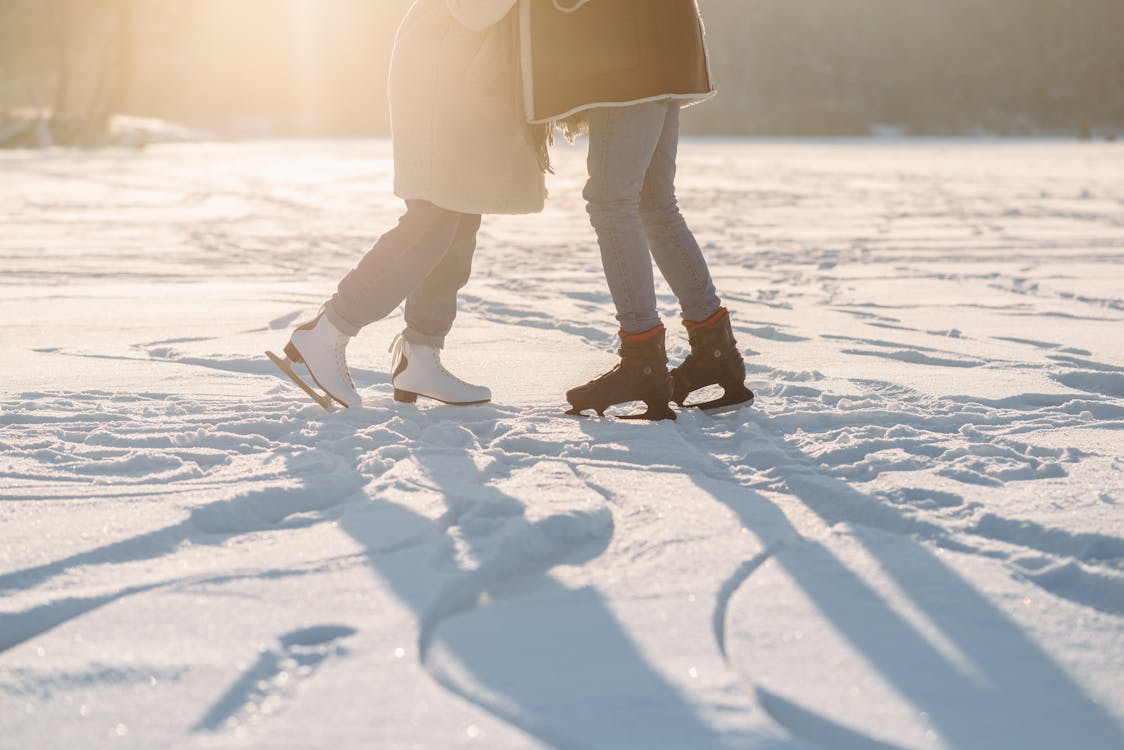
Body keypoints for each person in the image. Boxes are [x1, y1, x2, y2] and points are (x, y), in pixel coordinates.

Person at [268, 0, 546, 410]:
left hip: (468, 76)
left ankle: (421, 355)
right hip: (444, 74)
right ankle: (328, 331)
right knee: (431, 221)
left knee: (460, 219)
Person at [519, 0, 754, 420]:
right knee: (654, 203)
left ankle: (642, 361)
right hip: (666, 46)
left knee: (612, 204)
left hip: (625, 56)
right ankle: (714, 352)